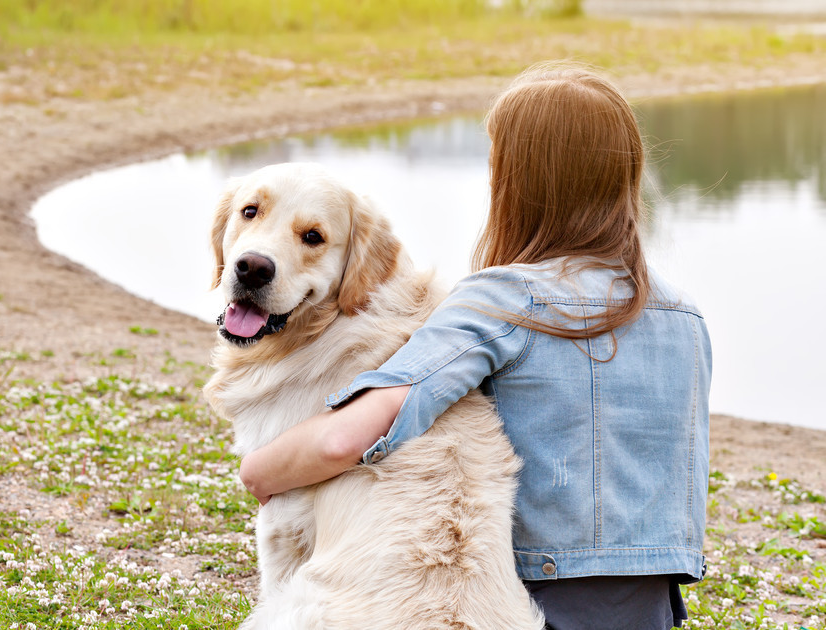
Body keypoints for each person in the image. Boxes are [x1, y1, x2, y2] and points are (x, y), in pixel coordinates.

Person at [238, 62, 712, 630]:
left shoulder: (500, 301)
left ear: (520, 183)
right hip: (654, 614)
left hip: (523, 608)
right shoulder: (686, 319)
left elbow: (345, 437)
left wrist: (260, 472)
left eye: (497, 166)